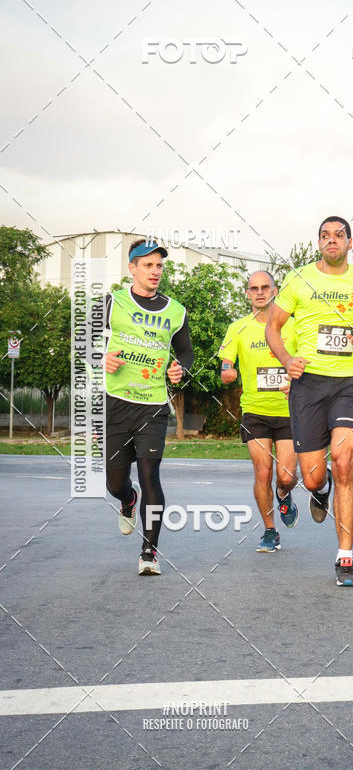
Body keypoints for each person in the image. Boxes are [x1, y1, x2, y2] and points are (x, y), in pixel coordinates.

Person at [265, 216, 353, 587]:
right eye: (325, 236)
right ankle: (321, 488)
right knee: (313, 475)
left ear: (350, 242)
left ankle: (345, 558)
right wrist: (287, 360)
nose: (332, 241)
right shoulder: (299, 279)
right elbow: (273, 327)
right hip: (309, 385)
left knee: (345, 460)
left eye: (339, 235)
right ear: (318, 243)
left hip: (349, 381)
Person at [103, 239, 193, 575]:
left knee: (150, 474)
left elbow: (186, 353)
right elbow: (81, 335)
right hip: (115, 402)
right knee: (115, 483)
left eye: (159, 266)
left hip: (153, 406)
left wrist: (180, 368)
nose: (155, 271)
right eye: (148, 265)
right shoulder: (113, 302)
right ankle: (128, 500)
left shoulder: (175, 311)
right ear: (132, 268)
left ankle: (149, 552)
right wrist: (101, 355)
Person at [219, 271, 299, 553]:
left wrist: (299, 382)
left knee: (286, 476)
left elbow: (308, 363)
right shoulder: (237, 328)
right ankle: (269, 530)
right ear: (247, 294)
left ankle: (284, 493)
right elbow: (226, 365)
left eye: (265, 287)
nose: (260, 292)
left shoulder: (294, 326)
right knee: (262, 471)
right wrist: (227, 373)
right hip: (254, 410)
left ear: (275, 291)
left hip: (290, 411)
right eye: (254, 288)